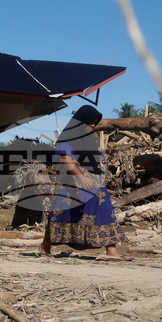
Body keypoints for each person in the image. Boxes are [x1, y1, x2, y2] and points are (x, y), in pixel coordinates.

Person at [38, 105, 131, 260]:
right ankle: (45, 246)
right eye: (90, 122)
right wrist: (81, 176)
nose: (93, 125)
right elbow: (65, 159)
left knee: (105, 209)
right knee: (61, 212)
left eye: (95, 122)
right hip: (71, 181)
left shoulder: (88, 138)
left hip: (93, 182)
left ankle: (111, 250)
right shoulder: (67, 137)